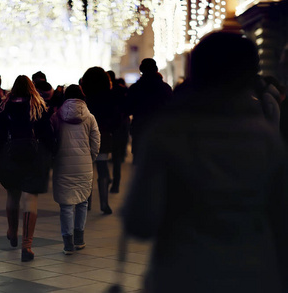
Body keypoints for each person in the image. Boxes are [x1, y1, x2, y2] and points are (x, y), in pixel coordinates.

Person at [121, 31, 288, 293]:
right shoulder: (267, 140)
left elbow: (140, 221)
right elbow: (280, 218)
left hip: (182, 272)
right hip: (252, 273)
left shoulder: (168, 135)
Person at [0, 75, 55, 262]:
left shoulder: (5, 107)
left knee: (12, 195)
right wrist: (52, 152)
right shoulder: (37, 106)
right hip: (33, 157)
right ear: (31, 88)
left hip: (10, 156)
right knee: (30, 198)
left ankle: (12, 231)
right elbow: (47, 134)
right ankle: (27, 245)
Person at [50, 85, 100, 254]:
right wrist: (90, 158)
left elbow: (51, 139)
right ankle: (79, 239)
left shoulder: (57, 116)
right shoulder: (90, 117)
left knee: (65, 205)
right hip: (84, 164)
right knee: (82, 201)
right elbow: (96, 140)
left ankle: (67, 243)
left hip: (62, 163)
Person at [81, 66, 117, 214]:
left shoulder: (85, 98)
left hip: (86, 136)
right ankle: (104, 203)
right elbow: (115, 117)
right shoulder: (109, 97)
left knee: (87, 170)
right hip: (103, 135)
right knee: (103, 169)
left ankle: (86, 202)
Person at [127, 58, 172, 164]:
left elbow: (128, 108)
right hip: (160, 127)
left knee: (139, 160)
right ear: (156, 69)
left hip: (140, 127)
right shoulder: (165, 88)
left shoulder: (135, 88)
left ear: (141, 70)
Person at [107, 70, 130, 193]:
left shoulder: (105, 92)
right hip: (120, 125)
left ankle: (107, 179)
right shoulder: (121, 90)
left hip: (109, 126)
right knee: (116, 157)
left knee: (103, 156)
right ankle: (115, 183)